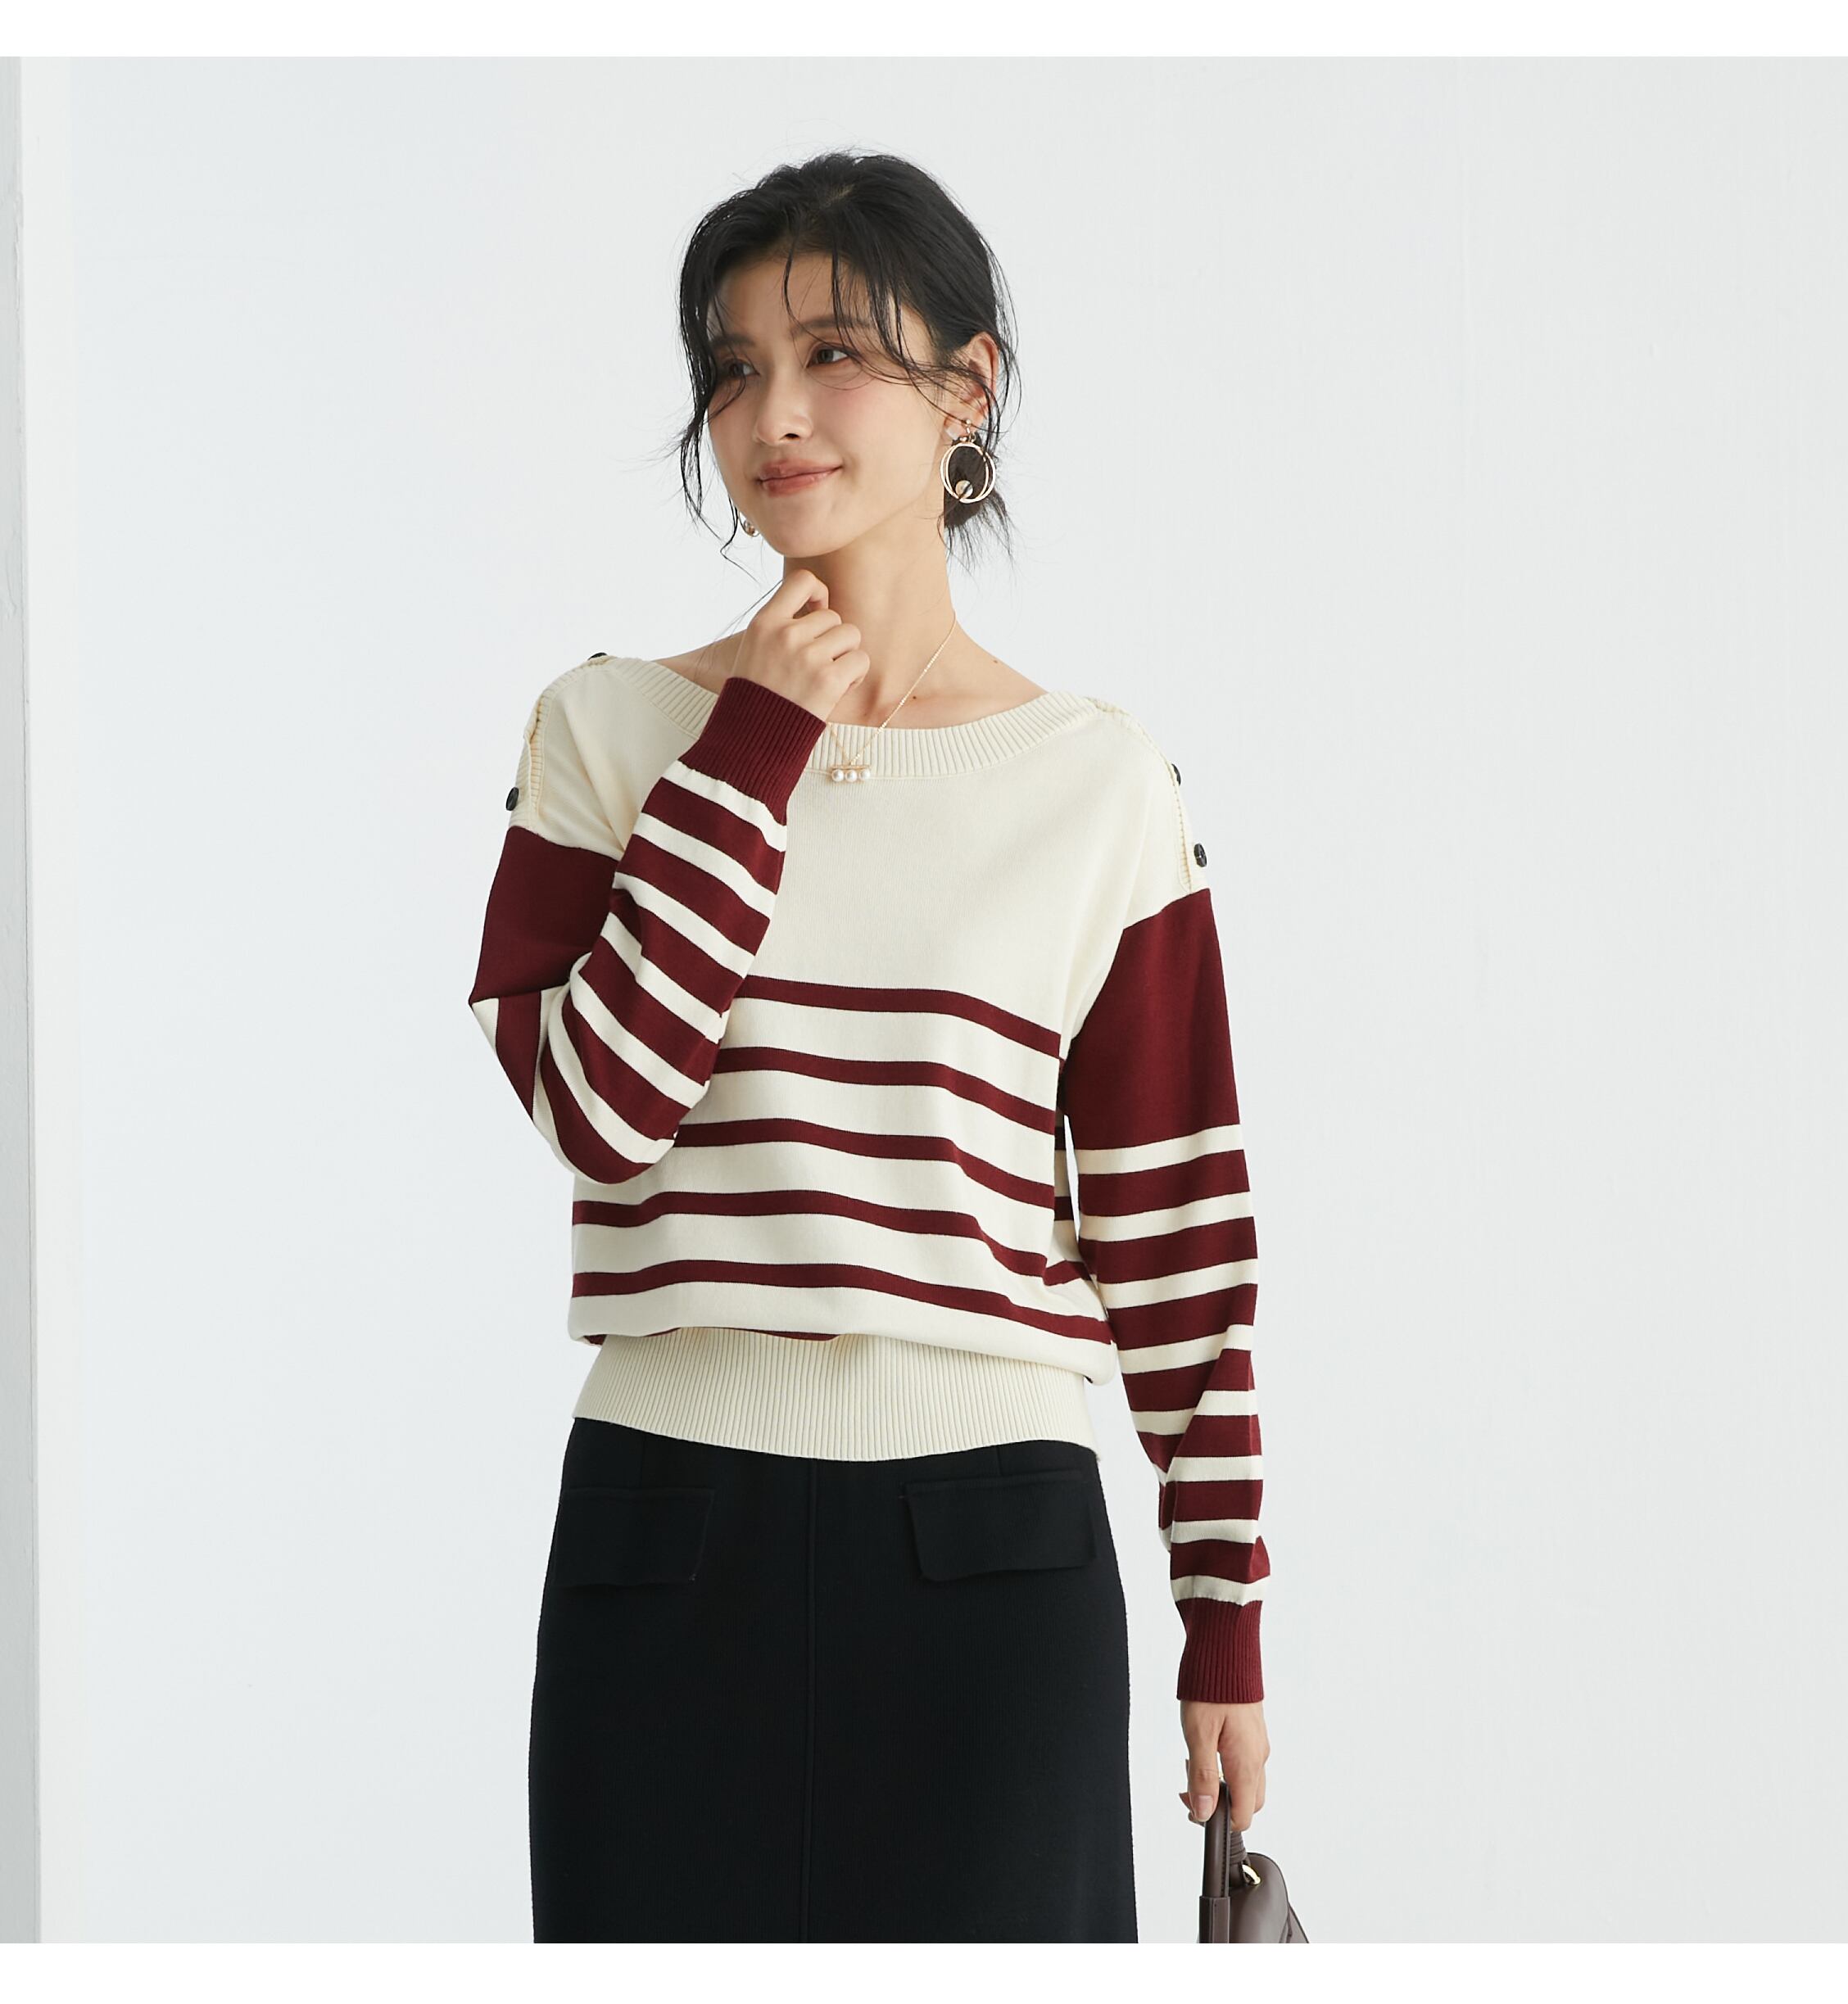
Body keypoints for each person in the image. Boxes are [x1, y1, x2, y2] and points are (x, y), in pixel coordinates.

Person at [467, 148, 1273, 1943]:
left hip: (997, 1554)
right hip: (667, 1533)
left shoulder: (1098, 786)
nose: (775, 412)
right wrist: (753, 748)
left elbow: (1177, 1236)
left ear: (967, 387)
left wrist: (1223, 1617)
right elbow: (603, 1117)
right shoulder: (607, 732)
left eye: (835, 354)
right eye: (734, 367)